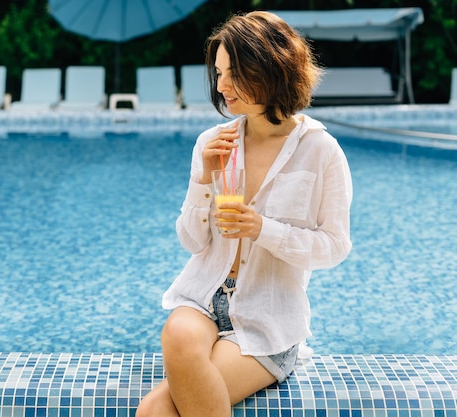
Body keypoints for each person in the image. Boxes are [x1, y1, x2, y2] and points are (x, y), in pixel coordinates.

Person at [136, 10, 353, 417]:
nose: (222, 86)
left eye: (233, 72)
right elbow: (191, 241)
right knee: (178, 336)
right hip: (202, 298)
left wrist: (263, 229)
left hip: (268, 318)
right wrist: (204, 180)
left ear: (271, 67)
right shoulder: (213, 142)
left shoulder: (321, 151)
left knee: (155, 412)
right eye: (218, 74)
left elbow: (335, 247)